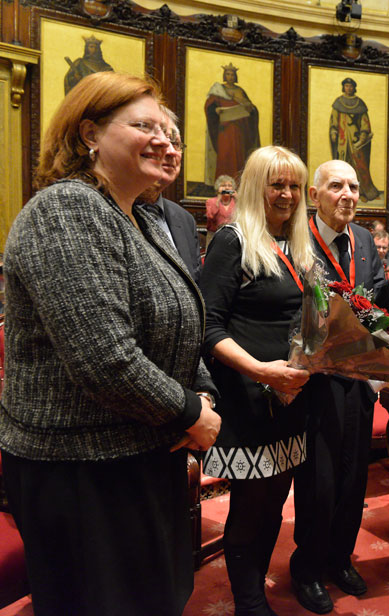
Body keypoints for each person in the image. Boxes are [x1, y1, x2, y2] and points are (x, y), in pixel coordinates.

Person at [0, 71, 221, 616]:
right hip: (82, 471)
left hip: (145, 453)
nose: (164, 141)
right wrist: (192, 413)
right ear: (89, 134)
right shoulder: (65, 210)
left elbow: (184, 321)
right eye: (145, 126)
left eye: (169, 131)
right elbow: (104, 358)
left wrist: (202, 393)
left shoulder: (142, 217)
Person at [199, 145, 315, 616]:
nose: (287, 195)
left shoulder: (294, 243)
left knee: (274, 503)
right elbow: (208, 328)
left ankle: (255, 592)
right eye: (276, 184)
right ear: (254, 187)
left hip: (290, 397)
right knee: (250, 505)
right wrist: (260, 370)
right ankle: (248, 602)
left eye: (294, 186)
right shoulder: (233, 240)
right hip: (248, 397)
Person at [291, 160, 389, 614]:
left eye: (353, 186)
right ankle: (308, 568)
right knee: (320, 480)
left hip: (359, 377)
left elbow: (377, 297)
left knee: (353, 477)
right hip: (316, 380)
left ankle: (340, 558)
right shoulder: (298, 239)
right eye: (336, 186)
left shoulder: (363, 239)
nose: (347, 194)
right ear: (314, 195)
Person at [137, 111, 202, 281]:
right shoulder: (105, 210)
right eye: (160, 142)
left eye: (175, 143)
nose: (172, 152)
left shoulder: (185, 220)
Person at [205, 63, 260, 186]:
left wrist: (249, 107)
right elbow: (209, 106)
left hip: (239, 129)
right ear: (225, 76)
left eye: (232, 75)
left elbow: (251, 109)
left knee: (239, 155)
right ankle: (222, 184)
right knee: (225, 154)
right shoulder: (218, 90)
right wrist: (215, 110)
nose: (230, 77)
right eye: (228, 74)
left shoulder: (240, 91)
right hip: (224, 129)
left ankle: (239, 183)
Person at [329, 77, 381, 202]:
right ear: (343, 87)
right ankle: (339, 194)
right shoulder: (338, 103)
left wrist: (363, 137)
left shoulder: (359, 104)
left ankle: (362, 192)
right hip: (342, 142)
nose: (349, 88)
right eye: (346, 86)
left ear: (354, 88)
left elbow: (365, 123)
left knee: (360, 166)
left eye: (351, 86)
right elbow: (334, 120)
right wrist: (333, 131)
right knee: (342, 167)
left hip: (356, 142)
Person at [205, 174, 238, 244]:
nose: (227, 188)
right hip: (214, 235)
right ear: (218, 188)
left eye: (229, 186)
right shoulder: (211, 202)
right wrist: (218, 201)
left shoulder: (236, 202)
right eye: (223, 185)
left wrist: (238, 199)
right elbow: (210, 217)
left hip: (232, 236)